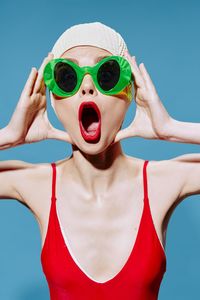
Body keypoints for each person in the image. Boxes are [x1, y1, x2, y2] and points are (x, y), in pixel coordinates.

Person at [0, 21, 200, 300]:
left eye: (107, 74)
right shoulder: (38, 184)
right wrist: (9, 135)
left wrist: (171, 128)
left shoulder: (161, 182)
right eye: (67, 77)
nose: (87, 88)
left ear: (129, 92)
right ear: (54, 100)